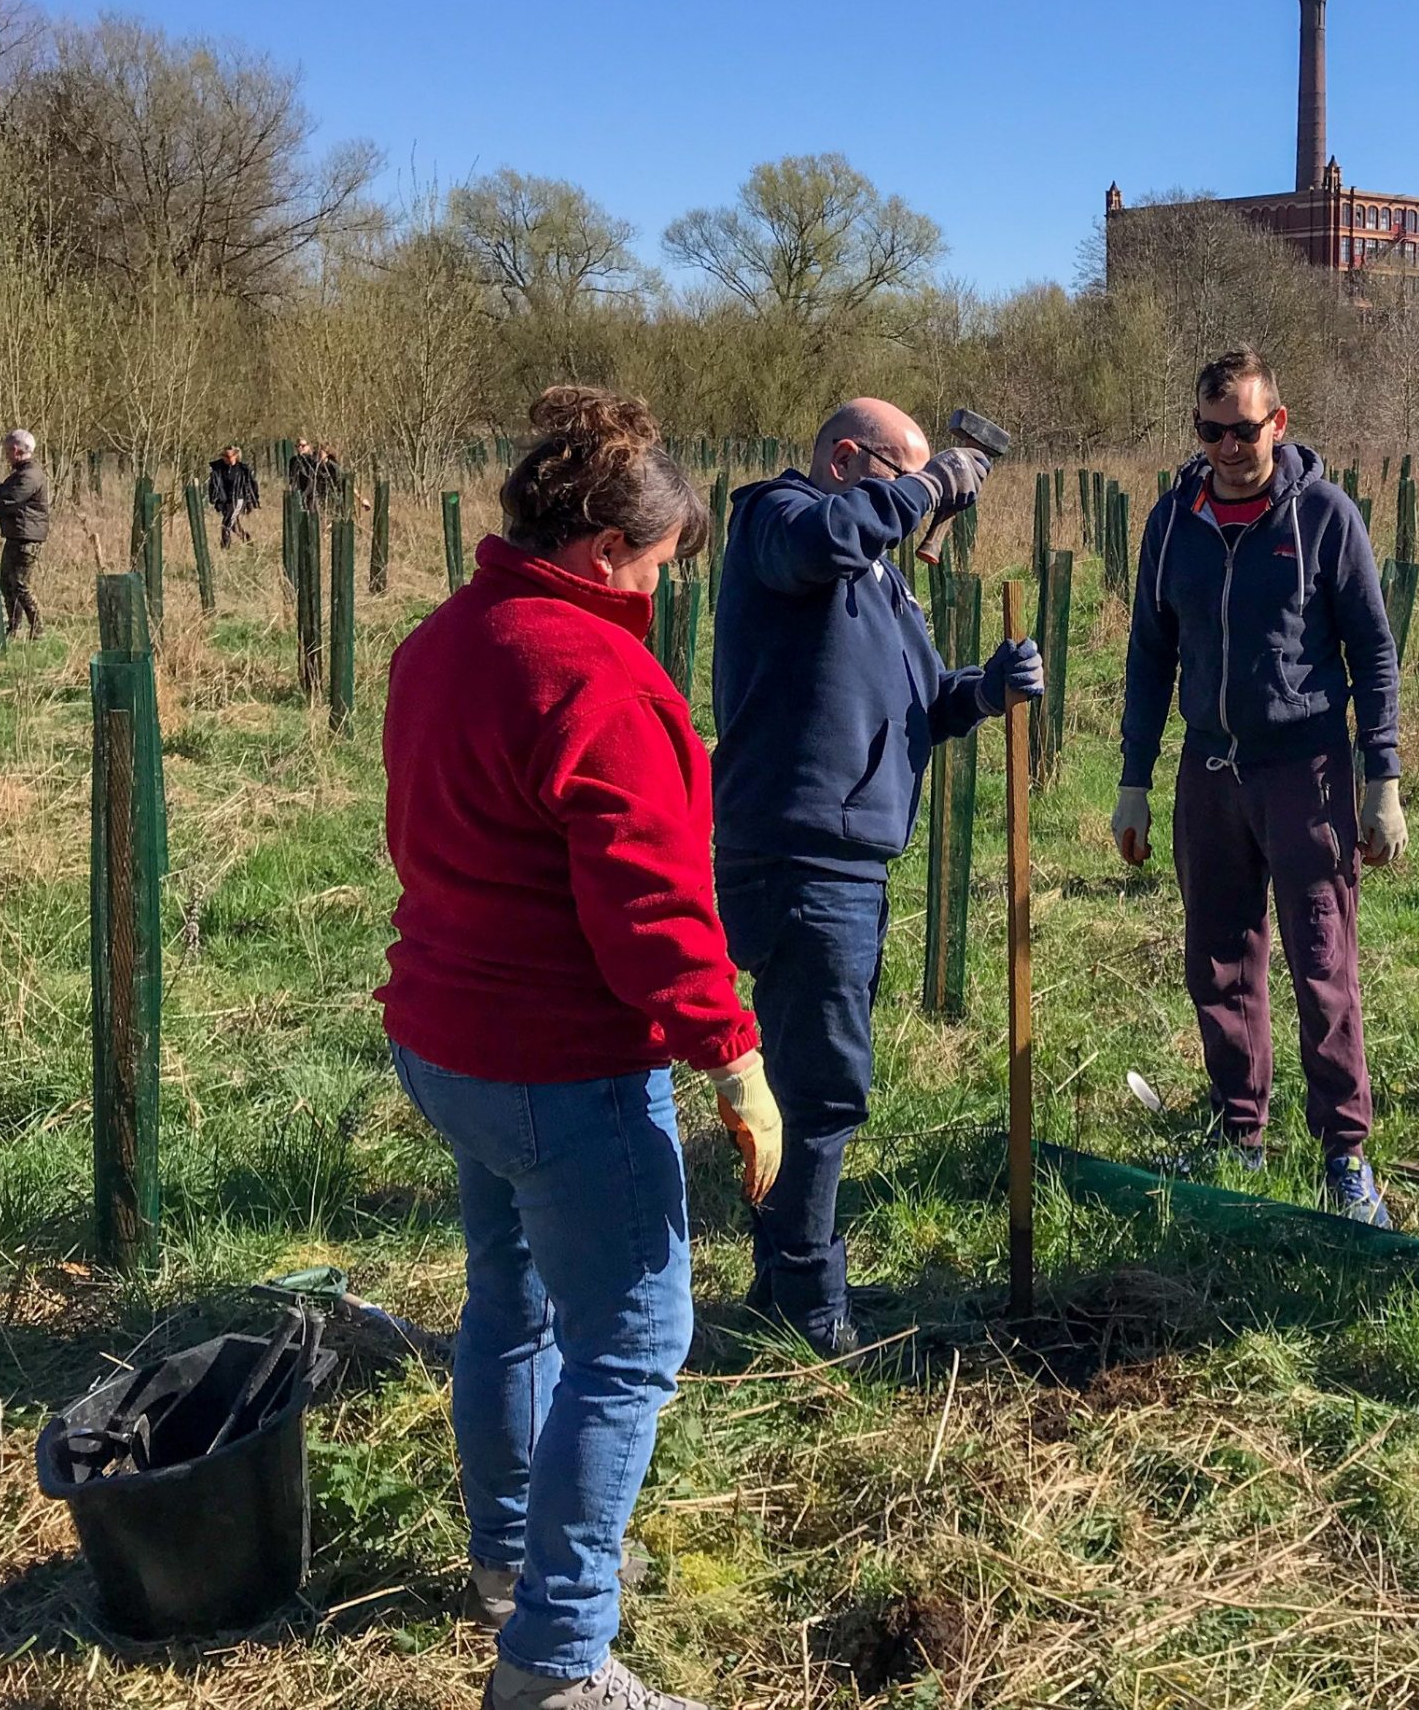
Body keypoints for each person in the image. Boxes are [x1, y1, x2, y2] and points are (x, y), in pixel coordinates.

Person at [378, 385, 782, 1710]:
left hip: (446, 1042)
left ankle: (509, 1555)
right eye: (664, 563)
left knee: (511, 1297)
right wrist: (732, 1058)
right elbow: (654, 911)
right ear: (613, 546)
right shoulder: (597, 676)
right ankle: (554, 1660)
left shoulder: (446, 640)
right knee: (634, 1338)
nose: (667, 587)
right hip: (557, 1068)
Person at [711, 398, 1042, 1356]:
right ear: (848, 462)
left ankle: (785, 1277)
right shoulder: (775, 520)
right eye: (906, 479)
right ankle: (806, 1307)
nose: (928, 506)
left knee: (815, 1074)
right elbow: (823, 544)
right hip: (800, 855)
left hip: (849, 855)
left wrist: (981, 691)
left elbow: (916, 706)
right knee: (824, 1086)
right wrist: (935, 483)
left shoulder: (882, 583)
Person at [1114, 350, 1406, 1223]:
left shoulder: (1323, 516)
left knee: (1323, 964)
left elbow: (1373, 650)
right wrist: (1134, 778)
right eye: (1213, 431)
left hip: (1307, 770)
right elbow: (1148, 653)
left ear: (1278, 422)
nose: (1231, 446)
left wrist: (1382, 779)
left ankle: (1346, 1154)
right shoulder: (1173, 522)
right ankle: (1240, 1128)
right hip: (1209, 770)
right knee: (1217, 957)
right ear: (1196, 432)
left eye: (1246, 428)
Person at [0, 430, 50, 638]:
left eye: (7, 451)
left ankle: (38, 630)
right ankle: (14, 627)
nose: (6, 455)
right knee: (7, 583)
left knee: (20, 584)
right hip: (17, 535)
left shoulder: (30, 476)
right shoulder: (21, 472)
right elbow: (2, 490)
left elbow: (9, 503)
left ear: (16, 450)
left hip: (27, 538)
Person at [207, 446, 259, 546]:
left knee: (226, 524)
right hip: (224, 500)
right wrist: (214, 498)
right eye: (224, 456)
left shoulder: (242, 470)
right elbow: (213, 485)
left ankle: (225, 546)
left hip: (238, 499)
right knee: (234, 526)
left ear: (235, 456)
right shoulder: (218, 469)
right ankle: (248, 541)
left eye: (229, 456)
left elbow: (251, 485)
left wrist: (252, 500)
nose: (226, 458)